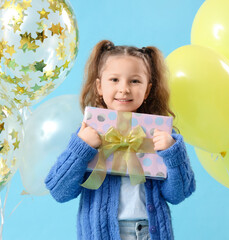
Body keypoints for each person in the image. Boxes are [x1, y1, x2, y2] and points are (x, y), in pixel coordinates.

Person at [45, 40, 196, 240]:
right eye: (114, 79)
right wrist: (80, 148)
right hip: (103, 234)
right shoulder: (88, 134)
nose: (124, 89)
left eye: (135, 81)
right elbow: (59, 191)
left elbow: (178, 194)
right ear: (99, 86)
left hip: (152, 232)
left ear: (148, 90)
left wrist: (172, 152)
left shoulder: (162, 137)